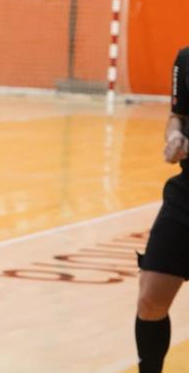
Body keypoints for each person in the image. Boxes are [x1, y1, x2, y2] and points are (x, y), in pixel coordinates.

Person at [135, 47, 189, 373]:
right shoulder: (186, 60)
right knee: (151, 300)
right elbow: (179, 116)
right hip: (186, 194)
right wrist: (175, 137)